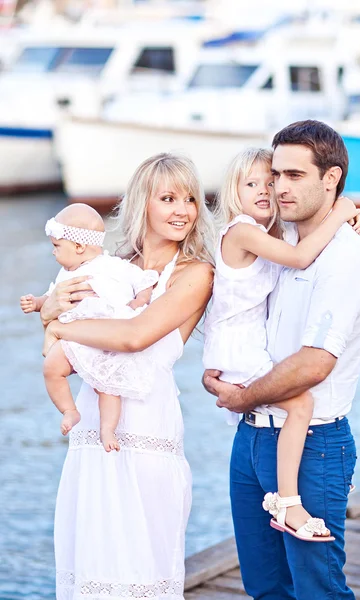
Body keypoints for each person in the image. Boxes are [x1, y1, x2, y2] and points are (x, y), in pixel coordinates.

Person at [203, 121, 360, 600]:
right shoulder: (277, 244)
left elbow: (313, 364)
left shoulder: (344, 257)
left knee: (317, 588)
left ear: (331, 178)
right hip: (253, 439)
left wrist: (242, 396)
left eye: (294, 175)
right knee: (265, 587)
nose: (279, 187)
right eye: (274, 174)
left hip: (313, 445)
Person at [40, 153, 214, 600]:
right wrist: (50, 311)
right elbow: (60, 334)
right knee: (92, 559)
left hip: (147, 428)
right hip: (93, 428)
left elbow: (135, 336)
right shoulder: (108, 265)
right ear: (143, 204)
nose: (182, 210)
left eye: (190, 199)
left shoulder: (196, 273)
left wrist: (59, 323)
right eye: (168, 198)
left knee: (140, 566)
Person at [20, 203, 159, 452]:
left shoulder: (115, 266)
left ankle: (108, 429)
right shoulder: (65, 275)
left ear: (79, 246)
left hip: (106, 335)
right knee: (51, 368)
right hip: (77, 337)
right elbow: (50, 298)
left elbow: (145, 280)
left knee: (107, 387)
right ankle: (69, 410)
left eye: (56, 246)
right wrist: (37, 303)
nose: (53, 252)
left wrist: (139, 300)